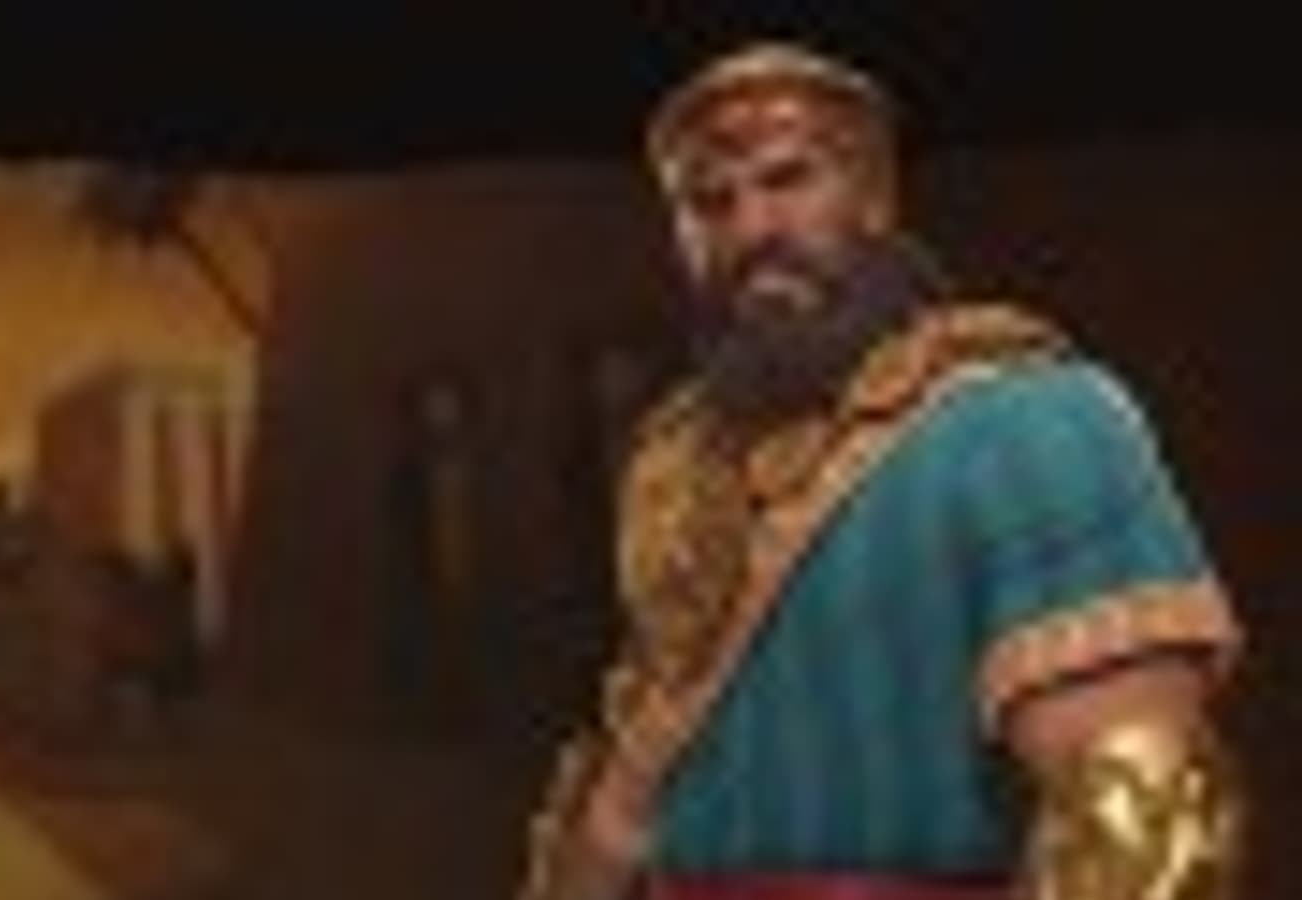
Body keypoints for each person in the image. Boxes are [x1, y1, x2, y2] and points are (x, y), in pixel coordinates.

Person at [517, 41, 1245, 900]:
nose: (751, 229)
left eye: (789, 179)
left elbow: (1140, 809)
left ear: (872, 197)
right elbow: (623, 802)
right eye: (709, 202)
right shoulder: (675, 467)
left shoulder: (1027, 422)